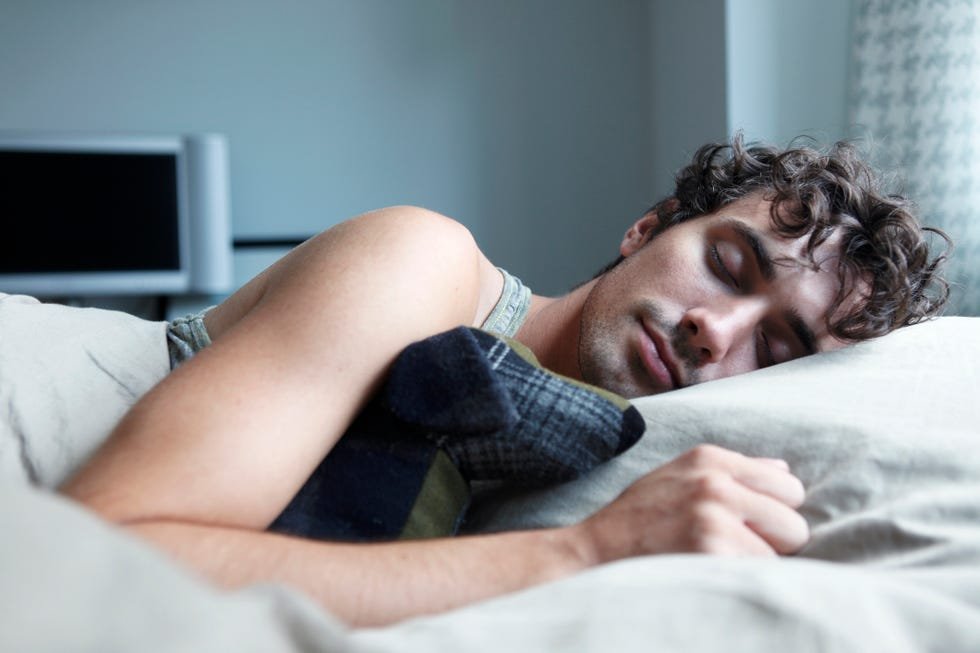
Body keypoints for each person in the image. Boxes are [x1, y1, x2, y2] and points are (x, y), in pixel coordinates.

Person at [60, 136, 949, 627]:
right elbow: (109, 558)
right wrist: (586, 551)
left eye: (779, 348)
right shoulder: (423, 266)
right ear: (648, 228)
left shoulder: (601, 443)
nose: (712, 330)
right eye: (724, 263)